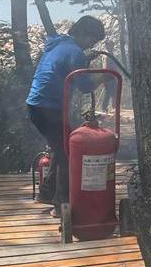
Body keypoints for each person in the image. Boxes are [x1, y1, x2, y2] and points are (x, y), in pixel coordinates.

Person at [26, 16, 106, 217]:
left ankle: (46, 194)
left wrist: (84, 59)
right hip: (49, 107)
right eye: (92, 39)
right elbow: (85, 85)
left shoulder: (58, 44)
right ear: (84, 33)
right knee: (66, 153)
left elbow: (63, 66)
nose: (92, 43)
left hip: (37, 105)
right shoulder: (74, 51)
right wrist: (102, 77)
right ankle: (61, 206)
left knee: (59, 146)